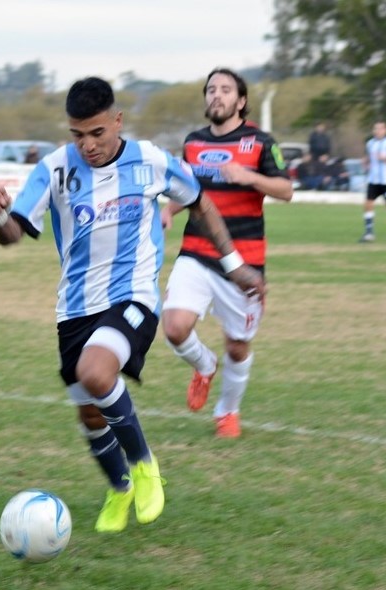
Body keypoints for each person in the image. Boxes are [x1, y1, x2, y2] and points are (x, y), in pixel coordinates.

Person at [0, 76, 265, 533]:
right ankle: (119, 489)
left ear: (117, 121)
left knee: (95, 374)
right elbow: (12, 234)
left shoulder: (150, 161)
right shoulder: (55, 168)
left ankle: (144, 464)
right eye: (78, 135)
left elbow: (200, 202)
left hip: (132, 296)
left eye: (97, 133)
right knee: (89, 412)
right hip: (74, 308)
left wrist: (233, 264)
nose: (88, 145)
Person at [160, 67, 293, 439]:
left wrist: (249, 177)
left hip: (245, 261)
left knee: (238, 345)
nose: (216, 95)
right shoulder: (193, 142)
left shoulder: (261, 142)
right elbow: (188, 190)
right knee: (174, 326)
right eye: (211, 89)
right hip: (196, 252)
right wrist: (169, 211)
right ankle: (204, 366)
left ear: (241, 100)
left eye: (225, 89)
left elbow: (285, 190)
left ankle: (227, 412)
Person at [358, 119, 386, 242]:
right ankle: (369, 233)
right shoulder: (370, 143)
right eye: (376, 128)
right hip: (373, 180)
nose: (378, 131)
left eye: (381, 128)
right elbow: (369, 157)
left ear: (385, 130)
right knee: (368, 204)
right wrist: (365, 162)